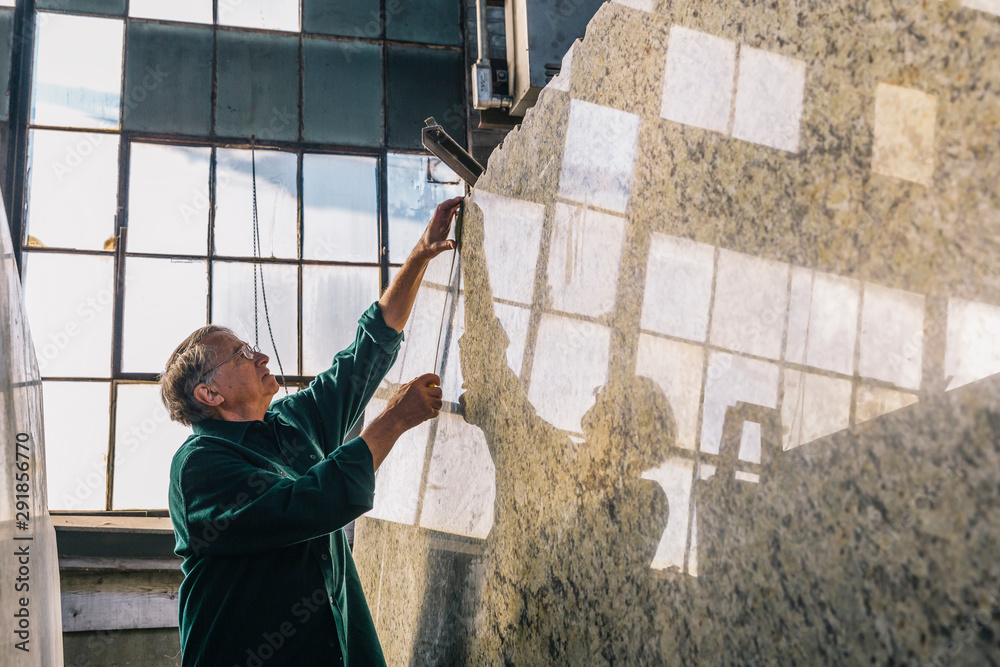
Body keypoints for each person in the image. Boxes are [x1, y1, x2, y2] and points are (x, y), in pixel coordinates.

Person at [160, 196, 463, 667]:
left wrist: (422, 253)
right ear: (209, 395)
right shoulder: (198, 467)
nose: (260, 357)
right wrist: (393, 421)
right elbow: (304, 506)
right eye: (241, 354)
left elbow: (363, 356)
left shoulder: (290, 424)